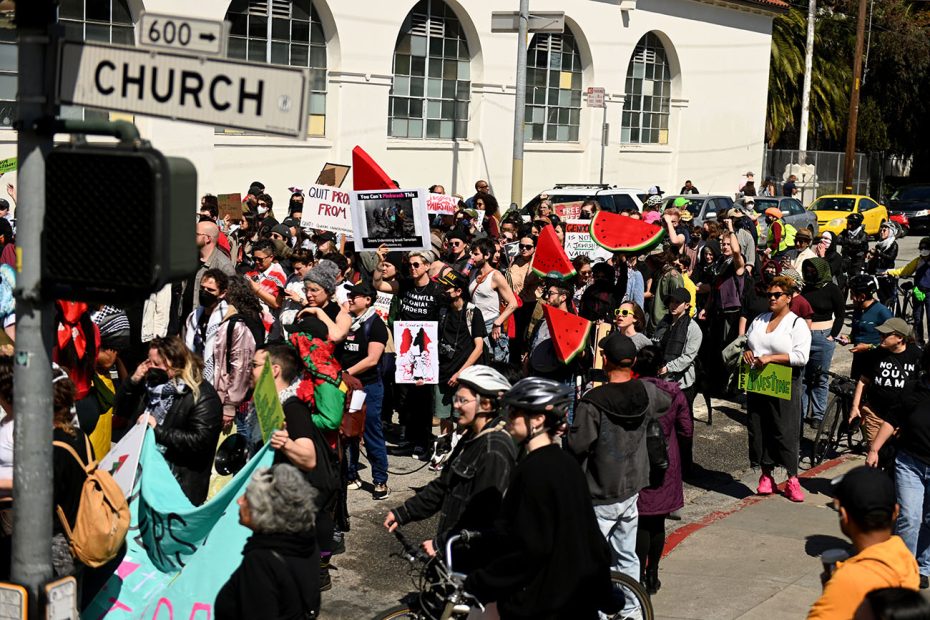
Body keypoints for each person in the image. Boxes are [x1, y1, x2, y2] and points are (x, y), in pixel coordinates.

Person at [466, 377, 613, 619]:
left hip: (546, 601)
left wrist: (483, 581)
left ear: (538, 419)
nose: (508, 418)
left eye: (515, 412)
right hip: (575, 598)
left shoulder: (534, 471)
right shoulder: (566, 463)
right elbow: (589, 536)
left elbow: (529, 546)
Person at [566, 333, 671, 612]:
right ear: (633, 362)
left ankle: (600, 610)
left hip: (599, 491)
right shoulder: (646, 392)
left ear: (605, 360)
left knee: (592, 557)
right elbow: (667, 401)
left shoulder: (593, 400)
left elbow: (578, 444)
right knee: (627, 554)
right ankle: (632, 611)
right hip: (632, 486)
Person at [384, 365, 515, 563]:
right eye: (456, 399)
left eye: (463, 400)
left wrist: (441, 544)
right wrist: (404, 513)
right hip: (455, 553)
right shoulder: (472, 436)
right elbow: (444, 485)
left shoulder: (495, 448)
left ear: (486, 404)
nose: (455, 405)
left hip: (473, 560)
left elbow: (483, 515)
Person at [251, 344, 340, 589]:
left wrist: (286, 444)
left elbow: (308, 458)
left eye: (255, 366)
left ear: (275, 370)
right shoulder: (266, 403)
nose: (251, 370)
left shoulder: (292, 407)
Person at [115, 336, 222, 505]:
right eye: (148, 362)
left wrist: (157, 430)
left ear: (175, 365)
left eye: (156, 364)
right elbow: (121, 410)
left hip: (176, 481)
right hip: (141, 474)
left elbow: (200, 441)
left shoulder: (202, 396)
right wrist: (133, 381)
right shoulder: (149, 385)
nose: (151, 368)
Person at [807, 466, 919, 619]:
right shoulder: (905, 557)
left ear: (844, 517)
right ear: (896, 512)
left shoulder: (847, 580)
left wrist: (833, 592)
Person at [214, 464, 321, 620]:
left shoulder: (261, 561)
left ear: (263, 510)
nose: (239, 501)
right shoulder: (306, 541)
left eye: (247, 497)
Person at [743, 276, 811, 502]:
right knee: (759, 426)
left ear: (789, 297)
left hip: (785, 382)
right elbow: (748, 343)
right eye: (769, 295)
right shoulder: (760, 319)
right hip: (758, 381)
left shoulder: (796, 323)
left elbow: (801, 357)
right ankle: (765, 475)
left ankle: (792, 477)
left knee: (784, 429)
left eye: (777, 295)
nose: (771, 299)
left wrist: (772, 358)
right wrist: (748, 353)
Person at [632, 345, 693, 594]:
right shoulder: (674, 392)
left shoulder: (632, 391)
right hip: (665, 463)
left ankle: (635, 576)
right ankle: (653, 573)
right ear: (660, 367)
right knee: (657, 523)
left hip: (636, 462)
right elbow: (686, 429)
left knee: (639, 522)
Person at [867, 347, 930, 586]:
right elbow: (892, 420)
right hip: (910, 462)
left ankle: (923, 566)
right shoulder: (913, 389)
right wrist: (874, 449)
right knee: (910, 517)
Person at [183, 269, 257, 432]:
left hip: (219, 396)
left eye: (210, 290)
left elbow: (241, 368)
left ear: (222, 293)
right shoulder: (193, 318)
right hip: (192, 391)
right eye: (202, 289)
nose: (205, 293)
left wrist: (229, 406)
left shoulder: (233, 325)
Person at [339, 282, 390, 500]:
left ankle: (380, 480)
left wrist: (345, 372)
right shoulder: (347, 321)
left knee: (370, 433)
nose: (350, 299)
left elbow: (372, 359)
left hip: (367, 388)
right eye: (349, 295)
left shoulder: (376, 325)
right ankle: (351, 475)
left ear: (368, 300)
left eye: (355, 296)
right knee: (348, 432)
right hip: (349, 388)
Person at [851, 318, 921, 446]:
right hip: (875, 415)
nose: (881, 337)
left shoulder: (916, 356)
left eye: (885, 335)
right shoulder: (875, 355)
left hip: (903, 419)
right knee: (875, 455)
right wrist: (855, 407)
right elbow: (863, 381)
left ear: (900, 338)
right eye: (880, 334)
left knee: (895, 459)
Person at [435, 270, 487, 436]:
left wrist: (460, 373)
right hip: (443, 372)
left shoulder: (472, 312)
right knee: (444, 418)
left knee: (462, 420)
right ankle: (444, 454)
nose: (443, 291)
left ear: (458, 292)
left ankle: (459, 454)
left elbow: (478, 347)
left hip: (463, 376)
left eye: (447, 288)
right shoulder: (442, 310)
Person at [800, 257, 845, 424]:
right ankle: (802, 412)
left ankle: (818, 415)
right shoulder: (805, 288)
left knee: (820, 377)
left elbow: (840, 315)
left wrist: (832, 335)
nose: (810, 273)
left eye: (813, 270)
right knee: (803, 377)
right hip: (804, 337)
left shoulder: (832, 289)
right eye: (808, 270)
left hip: (823, 337)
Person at [653, 287, 703, 413]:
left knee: (682, 425)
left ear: (686, 305)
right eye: (671, 301)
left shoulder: (693, 328)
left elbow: (688, 357)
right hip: (660, 380)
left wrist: (668, 368)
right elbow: (654, 344)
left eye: (677, 302)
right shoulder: (663, 323)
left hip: (682, 384)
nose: (673, 305)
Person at [468, 238, 517, 363]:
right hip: (474, 325)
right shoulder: (473, 272)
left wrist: (498, 322)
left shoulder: (496, 276)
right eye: (471, 253)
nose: (472, 256)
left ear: (487, 255)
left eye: (476, 254)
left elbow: (513, 303)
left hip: (491, 326)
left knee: (493, 364)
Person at [289, 259, 351, 343]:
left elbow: (336, 337)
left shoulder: (340, 314)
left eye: (314, 290)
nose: (308, 294)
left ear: (328, 291)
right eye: (306, 290)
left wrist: (318, 311)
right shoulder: (304, 311)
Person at [847, 274, 893, 381]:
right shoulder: (858, 309)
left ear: (862, 296)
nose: (850, 298)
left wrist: (868, 347)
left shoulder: (883, 313)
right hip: (858, 360)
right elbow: (856, 334)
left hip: (876, 362)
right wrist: (849, 339)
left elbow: (892, 343)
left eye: (852, 294)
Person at [886, 237, 930, 347]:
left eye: (926, 248)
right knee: (917, 318)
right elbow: (906, 270)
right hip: (918, 291)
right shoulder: (918, 260)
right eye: (922, 248)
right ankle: (918, 342)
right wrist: (890, 272)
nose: (923, 250)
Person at [248, 239, 287, 338]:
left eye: (260, 259)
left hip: (269, 329)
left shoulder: (279, 276)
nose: (256, 262)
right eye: (254, 258)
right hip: (251, 323)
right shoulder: (253, 272)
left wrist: (257, 290)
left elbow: (277, 303)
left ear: (271, 257)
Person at [839, 212, 870, 278]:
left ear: (855, 224)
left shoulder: (863, 234)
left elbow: (860, 243)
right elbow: (838, 239)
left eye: (849, 222)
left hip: (857, 261)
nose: (847, 224)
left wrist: (848, 241)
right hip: (846, 259)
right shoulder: (845, 232)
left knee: (856, 278)